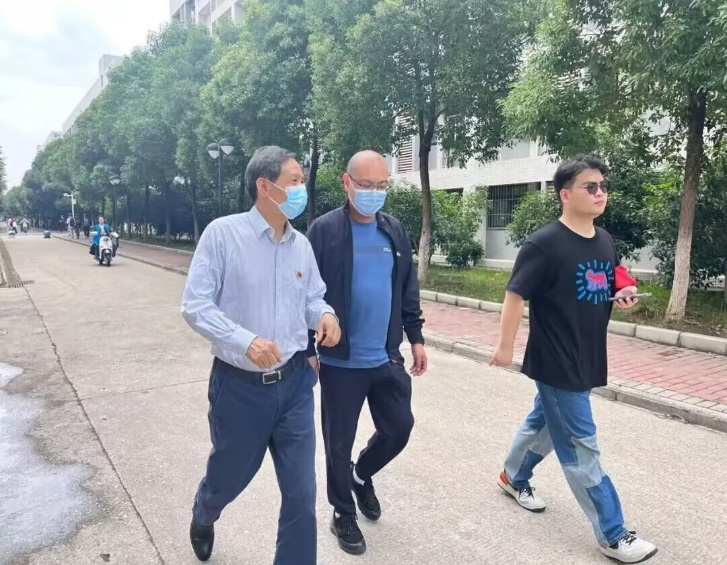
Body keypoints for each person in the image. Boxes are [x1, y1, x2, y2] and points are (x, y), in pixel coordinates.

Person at [490, 155, 657, 564]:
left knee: (546, 422)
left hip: (588, 354)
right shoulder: (544, 244)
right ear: (565, 194)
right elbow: (515, 295)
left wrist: (625, 292)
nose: (601, 193)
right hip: (556, 358)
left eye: (603, 186)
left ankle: (513, 475)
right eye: (591, 186)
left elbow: (614, 273)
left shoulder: (604, 239)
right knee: (582, 445)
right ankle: (612, 534)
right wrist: (505, 346)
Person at [181, 145, 341, 564]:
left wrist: (325, 314)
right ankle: (205, 510)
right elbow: (195, 305)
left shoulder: (300, 245)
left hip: (295, 385)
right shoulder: (222, 235)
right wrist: (244, 340)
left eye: (302, 180)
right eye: (294, 180)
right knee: (228, 476)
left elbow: (313, 298)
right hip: (239, 388)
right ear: (264, 186)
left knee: (302, 495)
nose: (302, 188)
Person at [306, 150, 427, 555]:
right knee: (337, 444)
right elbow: (303, 293)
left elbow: (407, 287)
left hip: (386, 357)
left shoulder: (393, 230)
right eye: (366, 185)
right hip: (340, 361)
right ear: (347, 183)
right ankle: (342, 512)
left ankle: (361, 476)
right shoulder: (324, 231)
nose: (375, 193)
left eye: (382, 186)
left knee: (400, 428)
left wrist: (416, 337)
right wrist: (307, 347)